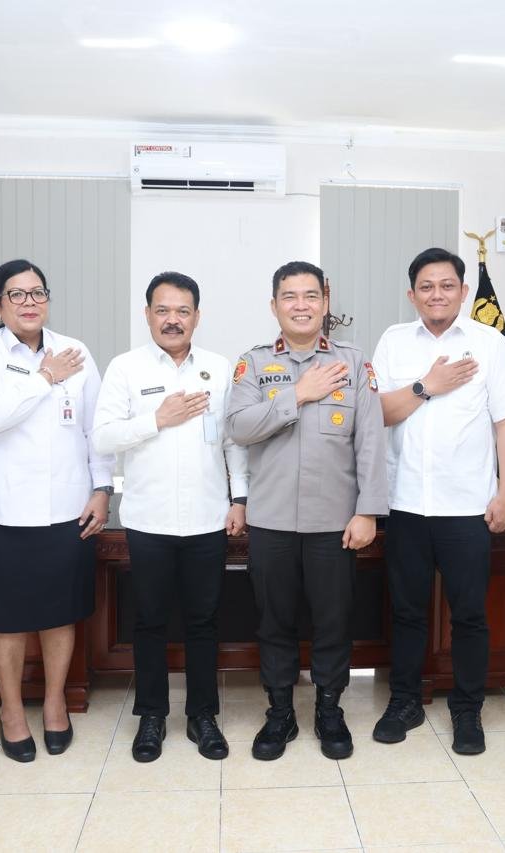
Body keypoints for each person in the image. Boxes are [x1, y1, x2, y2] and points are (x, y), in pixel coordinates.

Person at [226, 261, 387, 761]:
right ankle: (280, 712)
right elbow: (239, 427)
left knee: (333, 621)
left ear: (325, 302)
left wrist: (368, 511)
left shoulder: (353, 362)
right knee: (273, 622)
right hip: (271, 519)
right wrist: (297, 394)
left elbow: (371, 441)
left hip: (334, 522)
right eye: (290, 296)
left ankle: (329, 709)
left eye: (310, 295)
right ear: (274, 305)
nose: (301, 305)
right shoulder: (253, 364)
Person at [0, 259, 114, 762]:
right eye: (16, 294)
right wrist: (45, 376)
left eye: (37, 292)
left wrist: (102, 488)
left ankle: (54, 703)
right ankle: (10, 712)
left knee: (58, 613)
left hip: (64, 506)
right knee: (4, 618)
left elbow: (95, 429)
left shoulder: (75, 351)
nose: (29, 302)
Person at [369, 247, 505, 755]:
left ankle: (467, 708)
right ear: (412, 294)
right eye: (427, 286)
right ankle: (405, 701)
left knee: (470, 614)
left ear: (463, 290)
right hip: (406, 502)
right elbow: (379, 413)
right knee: (406, 612)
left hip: (467, 506)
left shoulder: (489, 343)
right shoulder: (393, 341)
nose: (438, 294)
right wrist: (426, 386)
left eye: (447, 285)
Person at [92, 272, 248, 763]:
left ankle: (203, 716)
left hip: (207, 517)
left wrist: (239, 498)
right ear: (148, 315)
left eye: (183, 311)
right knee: (150, 622)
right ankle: (152, 717)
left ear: (197, 317)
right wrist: (157, 419)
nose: (173, 320)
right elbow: (103, 437)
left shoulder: (219, 368)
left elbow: (233, 441)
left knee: (204, 622)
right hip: (149, 520)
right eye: (163, 310)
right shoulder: (126, 368)